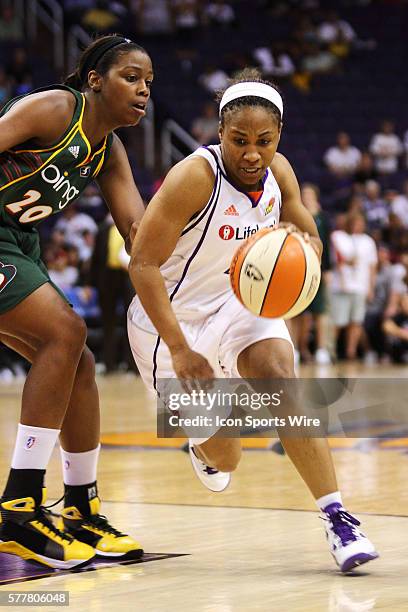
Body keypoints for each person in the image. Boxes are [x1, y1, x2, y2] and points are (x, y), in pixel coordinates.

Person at [127, 69, 378, 572]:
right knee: (228, 456)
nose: (251, 153)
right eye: (239, 140)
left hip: (237, 302)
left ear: (278, 136)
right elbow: (142, 264)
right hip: (169, 321)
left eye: (263, 141)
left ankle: (338, 518)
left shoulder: (280, 171)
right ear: (220, 134)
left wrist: (301, 252)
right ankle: (205, 451)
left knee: (282, 381)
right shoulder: (194, 177)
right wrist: (179, 348)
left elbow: (309, 238)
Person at [0, 34, 153, 569]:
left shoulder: (107, 150)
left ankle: (81, 507)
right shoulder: (55, 108)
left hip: (17, 242)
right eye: (131, 77)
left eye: (148, 83)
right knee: (66, 332)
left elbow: (138, 231)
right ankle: (18, 509)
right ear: (95, 80)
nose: (142, 91)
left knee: (79, 364)